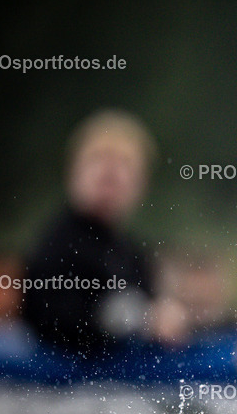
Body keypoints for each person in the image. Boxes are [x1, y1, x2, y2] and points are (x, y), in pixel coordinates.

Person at [21, 109, 189, 357]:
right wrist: (140, 320)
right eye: (98, 159)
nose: (110, 171)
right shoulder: (56, 246)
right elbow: (51, 320)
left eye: (124, 163)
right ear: (73, 173)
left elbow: (156, 306)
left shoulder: (132, 251)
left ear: (141, 184)